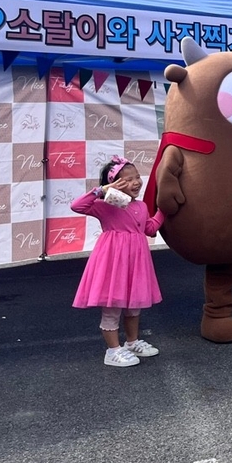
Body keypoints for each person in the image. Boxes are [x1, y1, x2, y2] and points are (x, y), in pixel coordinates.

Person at [71, 157, 165, 368]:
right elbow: (77, 206)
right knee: (112, 307)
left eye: (137, 177)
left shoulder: (140, 206)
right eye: (128, 180)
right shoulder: (105, 205)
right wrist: (103, 190)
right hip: (113, 263)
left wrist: (163, 211)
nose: (136, 182)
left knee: (133, 306)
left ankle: (131, 342)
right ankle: (112, 351)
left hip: (136, 262)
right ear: (115, 183)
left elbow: (149, 229)